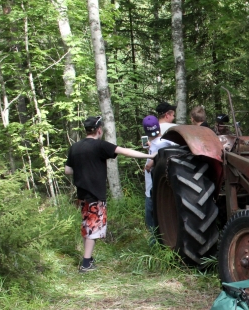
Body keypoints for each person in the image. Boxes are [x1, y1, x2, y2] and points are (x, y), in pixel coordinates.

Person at [65, 116, 154, 273]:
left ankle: (89, 258)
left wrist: (82, 168)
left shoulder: (75, 147)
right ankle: (86, 263)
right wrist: (149, 156)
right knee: (93, 227)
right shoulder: (99, 145)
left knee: (87, 224)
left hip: (82, 194)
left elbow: (68, 170)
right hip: (95, 193)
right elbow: (124, 151)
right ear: (99, 130)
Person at [141, 115, 174, 237]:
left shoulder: (159, 147)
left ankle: (155, 242)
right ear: (159, 128)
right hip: (161, 187)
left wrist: (152, 161)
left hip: (152, 189)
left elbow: (159, 153)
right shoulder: (167, 142)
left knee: (150, 217)